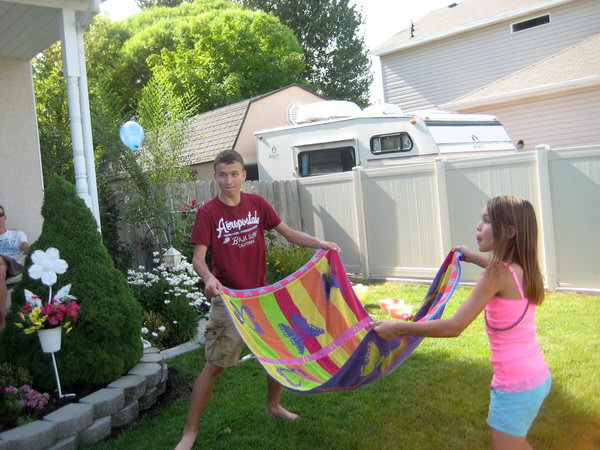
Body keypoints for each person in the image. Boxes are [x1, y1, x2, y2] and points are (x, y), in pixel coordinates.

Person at [175, 150, 340, 450]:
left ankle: (273, 406)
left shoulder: (257, 204)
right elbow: (198, 258)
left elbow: (289, 234)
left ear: (244, 175)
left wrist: (320, 243)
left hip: (261, 297)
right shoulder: (208, 213)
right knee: (214, 366)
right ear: (215, 176)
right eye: (223, 174)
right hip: (230, 301)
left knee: (276, 355)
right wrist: (209, 278)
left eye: (234, 173)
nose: (229, 180)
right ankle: (189, 433)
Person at [374, 195, 551, 450]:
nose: (478, 226)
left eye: (487, 221)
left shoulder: (495, 275)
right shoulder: (522, 269)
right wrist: (471, 256)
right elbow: (498, 269)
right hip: (534, 376)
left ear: (510, 231)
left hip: (514, 386)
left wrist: (398, 327)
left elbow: (454, 327)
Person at [0, 205, 30, 330]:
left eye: (0, 215)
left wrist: (31, 252)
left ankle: (1, 318)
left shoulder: (16, 235)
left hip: (14, 265)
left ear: (5, 217)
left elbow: (26, 247)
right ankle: (2, 316)